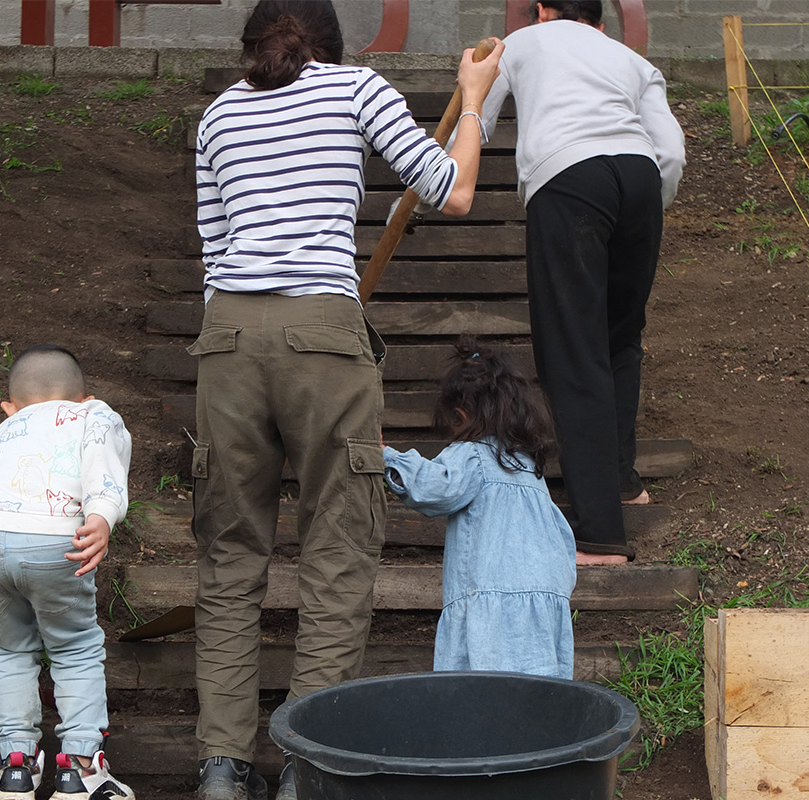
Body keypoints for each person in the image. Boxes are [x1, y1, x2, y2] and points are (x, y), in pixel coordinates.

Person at [189, 2, 504, 798]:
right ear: (333, 45)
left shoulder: (218, 115)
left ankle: (222, 768)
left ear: (251, 43)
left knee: (229, 558)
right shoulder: (357, 89)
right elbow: (453, 192)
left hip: (227, 338)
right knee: (336, 550)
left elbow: (214, 251)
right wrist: (472, 98)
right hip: (324, 336)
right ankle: (307, 763)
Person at [472, 0, 686, 564]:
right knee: (620, 339)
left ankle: (599, 534)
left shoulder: (519, 43)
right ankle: (621, 482)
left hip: (568, 178)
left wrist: (430, 191)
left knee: (572, 352)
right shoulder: (631, 60)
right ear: (600, 20)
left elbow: (478, 119)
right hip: (640, 178)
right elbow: (670, 150)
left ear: (543, 11)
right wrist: (647, 206)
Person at [0, 344, 134, 800]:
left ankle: (14, 770)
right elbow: (103, 466)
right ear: (85, 398)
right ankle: (81, 770)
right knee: (75, 648)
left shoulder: (0, 435)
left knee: (9, 650)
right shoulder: (92, 415)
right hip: (52, 542)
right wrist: (101, 517)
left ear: (9, 408)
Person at [382, 338, 576, 677]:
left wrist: (387, 458)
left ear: (460, 416)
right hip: (542, 604)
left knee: (483, 685)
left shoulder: (473, 455)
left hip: (492, 604)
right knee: (538, 686)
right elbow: (562, 538)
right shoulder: (529, 469)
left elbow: (436, 486)